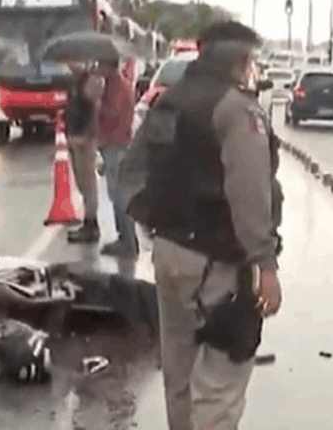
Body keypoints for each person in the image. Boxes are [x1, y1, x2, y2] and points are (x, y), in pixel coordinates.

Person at [120, 21, 282, 430]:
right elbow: (250, 195)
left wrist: (156, 224)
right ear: (243, 60)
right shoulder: (236, 109)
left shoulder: (171, 101)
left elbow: (132, 172)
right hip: (219, 263)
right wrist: (266, 265)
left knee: (179, 373)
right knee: (220, 383)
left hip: (171, 254)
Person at [96, 57, 139, 257]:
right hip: (114, 144)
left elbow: (113, 114)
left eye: (100, 65)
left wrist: (98, 105)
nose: (98, 69)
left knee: (119, 195)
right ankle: (124, 238)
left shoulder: (117, 87)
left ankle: (128, 241)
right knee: (116, 194)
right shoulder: (115, 84)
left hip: (116, 144)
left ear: (108, 65)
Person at [64, 61, 106, 243]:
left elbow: (95, 109)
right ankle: (88, 222)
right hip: (75, 136)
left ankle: (91, 224)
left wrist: (89, 136)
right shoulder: (76, 81)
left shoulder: (91, 81)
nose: (69, 65)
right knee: (82, 182)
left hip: (84, 139)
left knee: (88, 183)